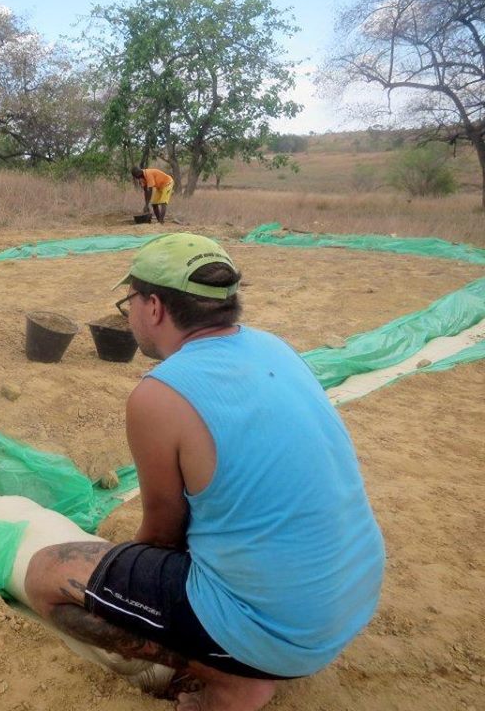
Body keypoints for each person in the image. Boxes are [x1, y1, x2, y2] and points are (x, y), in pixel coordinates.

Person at [24, 233, 385, 711]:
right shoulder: (274, 347)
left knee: (45, 574)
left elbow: (162, 535)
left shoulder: (160, 394)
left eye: (129, 300)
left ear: (154, 307)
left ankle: (228, 677)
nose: (128, 313)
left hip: (274, 630)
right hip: (348, 598)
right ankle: (238, 658)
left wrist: (123, 569)